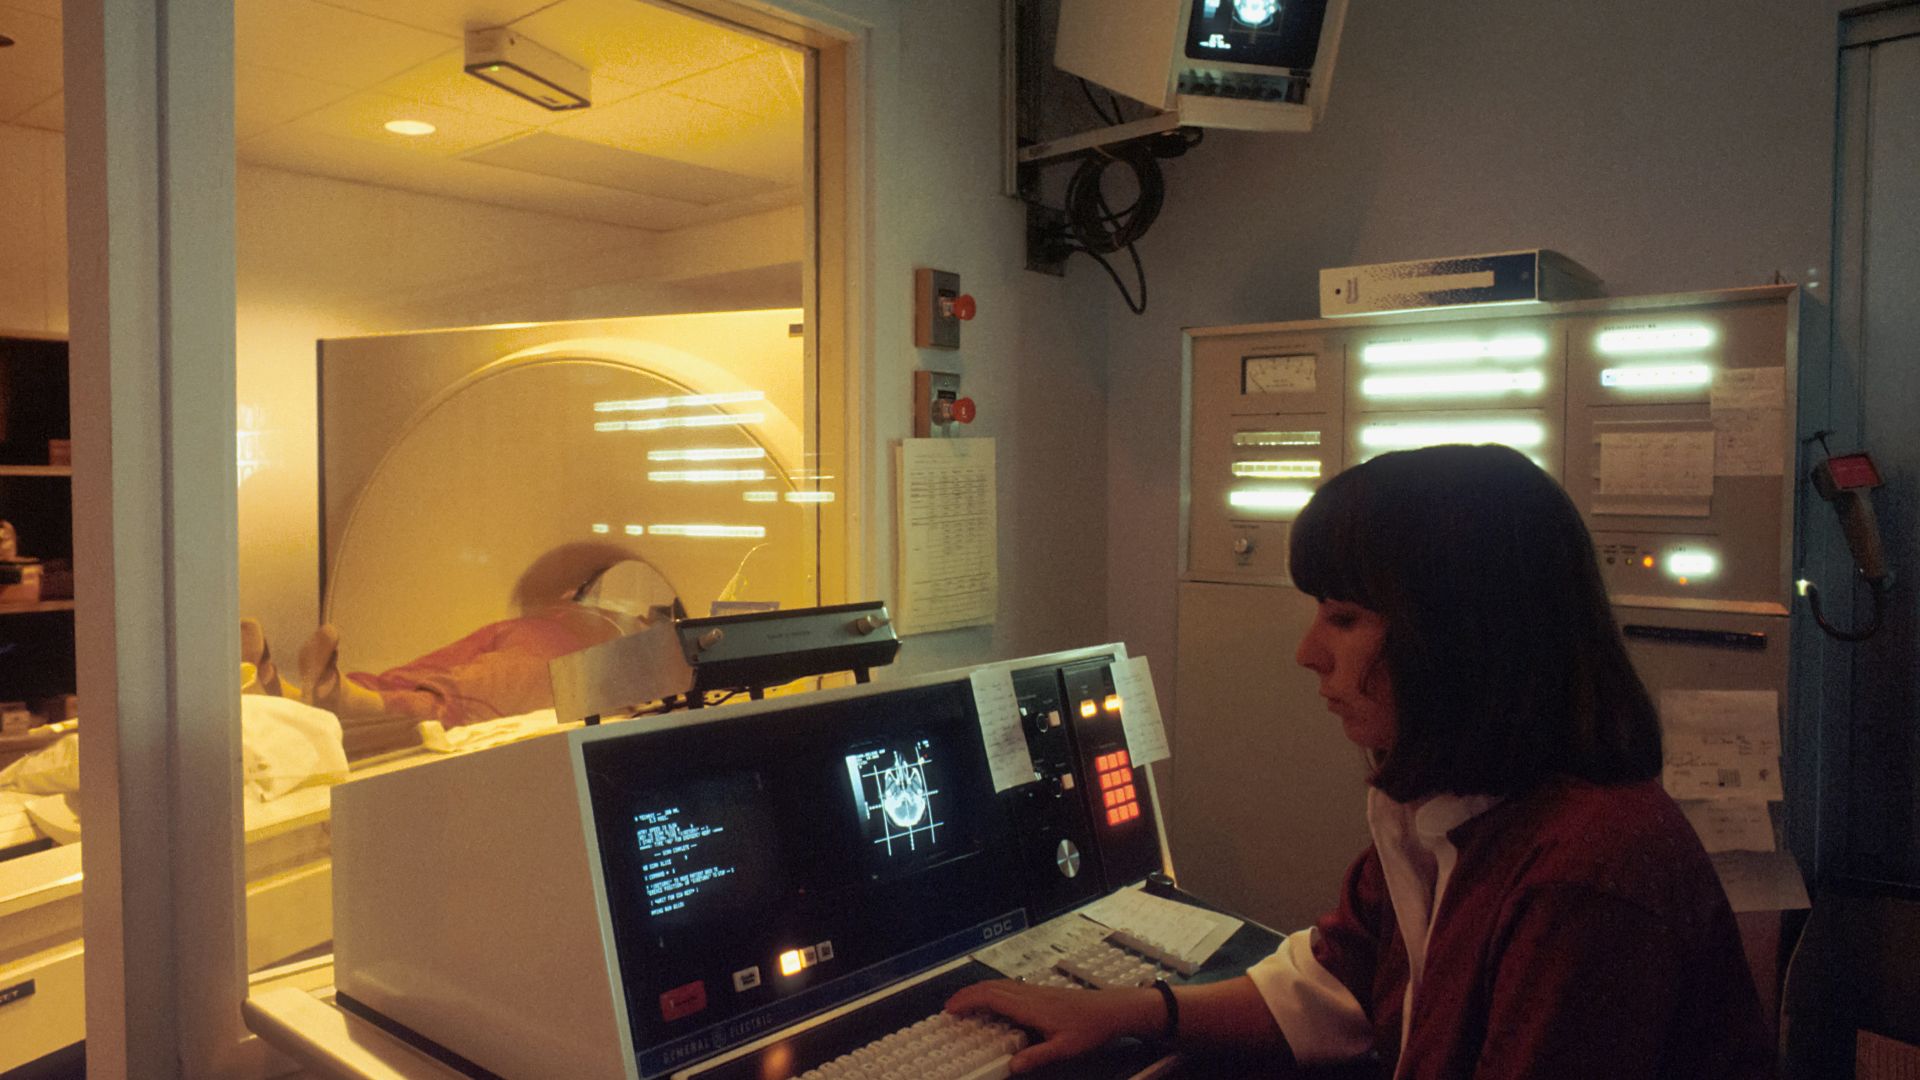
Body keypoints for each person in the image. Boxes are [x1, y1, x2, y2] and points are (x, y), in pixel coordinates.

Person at [946, 444, 1773, 1078]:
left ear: (1459, 636)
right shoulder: (1450, 808)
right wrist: (1127, 1010)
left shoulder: (1586, 875)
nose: (1308, 653)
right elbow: (1338, 982)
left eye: (1344, 618)